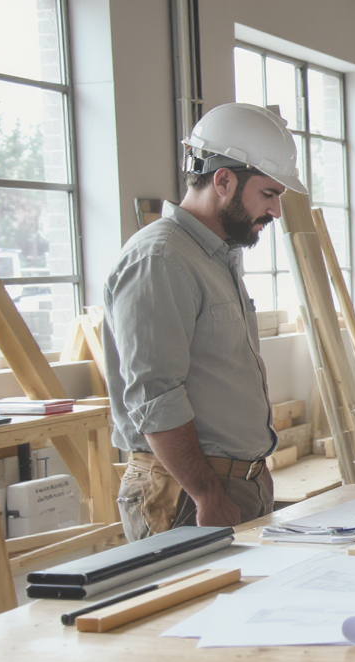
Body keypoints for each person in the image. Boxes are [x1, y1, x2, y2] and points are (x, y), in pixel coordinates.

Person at [105, 103, 305, 541]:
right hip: (186, 492)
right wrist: (206, 493)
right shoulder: (162, 259)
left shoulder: (214, 257)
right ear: (224, 181)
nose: (275, 211)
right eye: (268, 194)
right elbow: (155, 395)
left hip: (231, 482)